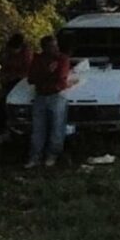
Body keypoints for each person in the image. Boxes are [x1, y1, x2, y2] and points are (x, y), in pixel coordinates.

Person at [26, 33, 74, 168]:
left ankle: (52, 155)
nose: (55, 49)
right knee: (38, 129)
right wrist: (47, 72)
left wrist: (44, 77)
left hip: (56, 95)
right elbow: (31, 78)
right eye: (51, 47)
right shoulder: (38, 59)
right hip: (40, 95)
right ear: (44, 48)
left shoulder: (62, 59)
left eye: (56, 46)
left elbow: (61, 79)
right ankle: (35, 156)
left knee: (57, 128)